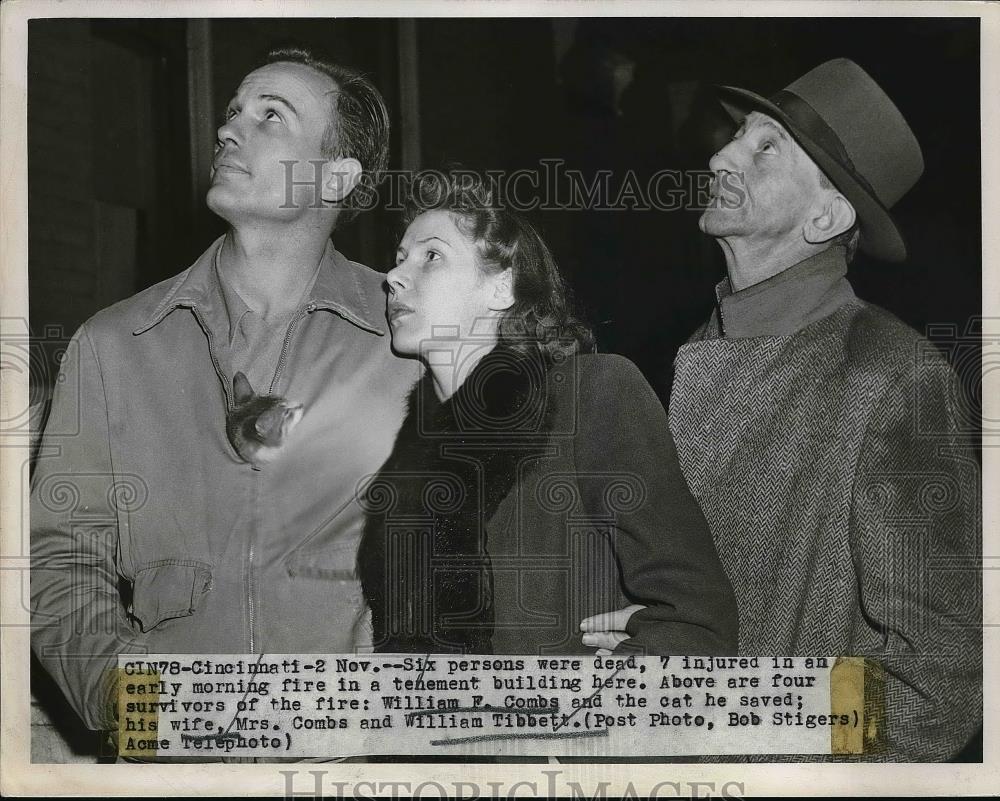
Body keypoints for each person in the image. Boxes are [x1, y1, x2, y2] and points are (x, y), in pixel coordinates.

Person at [586, 59, 982, 761]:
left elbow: (941, 679)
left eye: (766, 146)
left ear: (826, 214)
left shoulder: (892, 378)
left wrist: (737, 714)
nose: (721, 153)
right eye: (739, 133)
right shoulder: (692, 349)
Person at [30, 47, 418, 738]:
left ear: (337, 176)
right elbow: (60, 553)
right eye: (234, 112)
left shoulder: (411, 342)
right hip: (181, 759)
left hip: (363, 754)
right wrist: (120, 694)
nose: (229, 129)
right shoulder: (114, 345)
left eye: (273, 116)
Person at [356, 172, 738, 656]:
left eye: (432, 256)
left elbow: (699, 621)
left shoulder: (590, 395)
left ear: (501, 289)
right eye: (399, 260)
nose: (394, 277)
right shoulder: (403, 459)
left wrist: (590, 702)